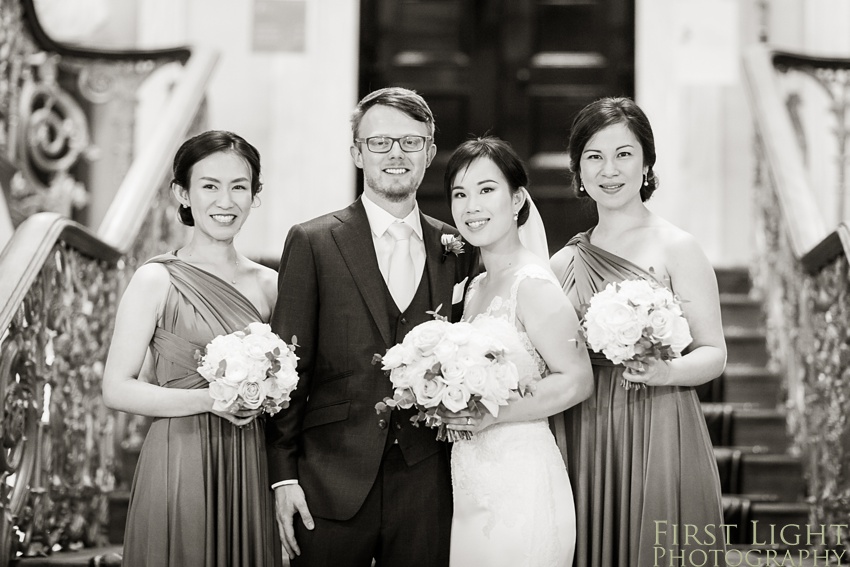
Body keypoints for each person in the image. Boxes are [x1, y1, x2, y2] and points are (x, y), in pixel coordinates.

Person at [266, 87, 480, 566]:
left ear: (429, 151)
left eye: (410, 142)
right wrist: (283, 477)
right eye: (380, 142)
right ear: (357, 152)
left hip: (429, 480)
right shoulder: (314, 241)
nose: (396, 154)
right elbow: (286, 370)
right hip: (329, 478)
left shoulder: (458, 244)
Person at [549, 97, 727, 567]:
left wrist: (665, 371)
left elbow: (714, 352)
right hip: (584, 425)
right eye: (594, 156)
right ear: (578, 170)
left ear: (646, 162)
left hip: (657, 421)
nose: (610, 170)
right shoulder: (564, 262)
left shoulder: (677, 247)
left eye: (624, 154)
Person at [101, 130, 281, 566]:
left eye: (239, 187)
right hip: (180, 457)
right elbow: (117, 388)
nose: (226, 201)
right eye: (209, 186)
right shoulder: (156, 280)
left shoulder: (271, 284)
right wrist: (212, 399)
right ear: (182, 193)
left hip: (249, 459)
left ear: (254, 195)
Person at [441, 137, 594, 567]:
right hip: (471, 478)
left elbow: (578, 380)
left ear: (517, 200)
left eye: (487, 190)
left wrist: (494, 412)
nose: (472, 206)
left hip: (521, 477)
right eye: (460, 194)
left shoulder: (534, 284)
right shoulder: (472, 288)